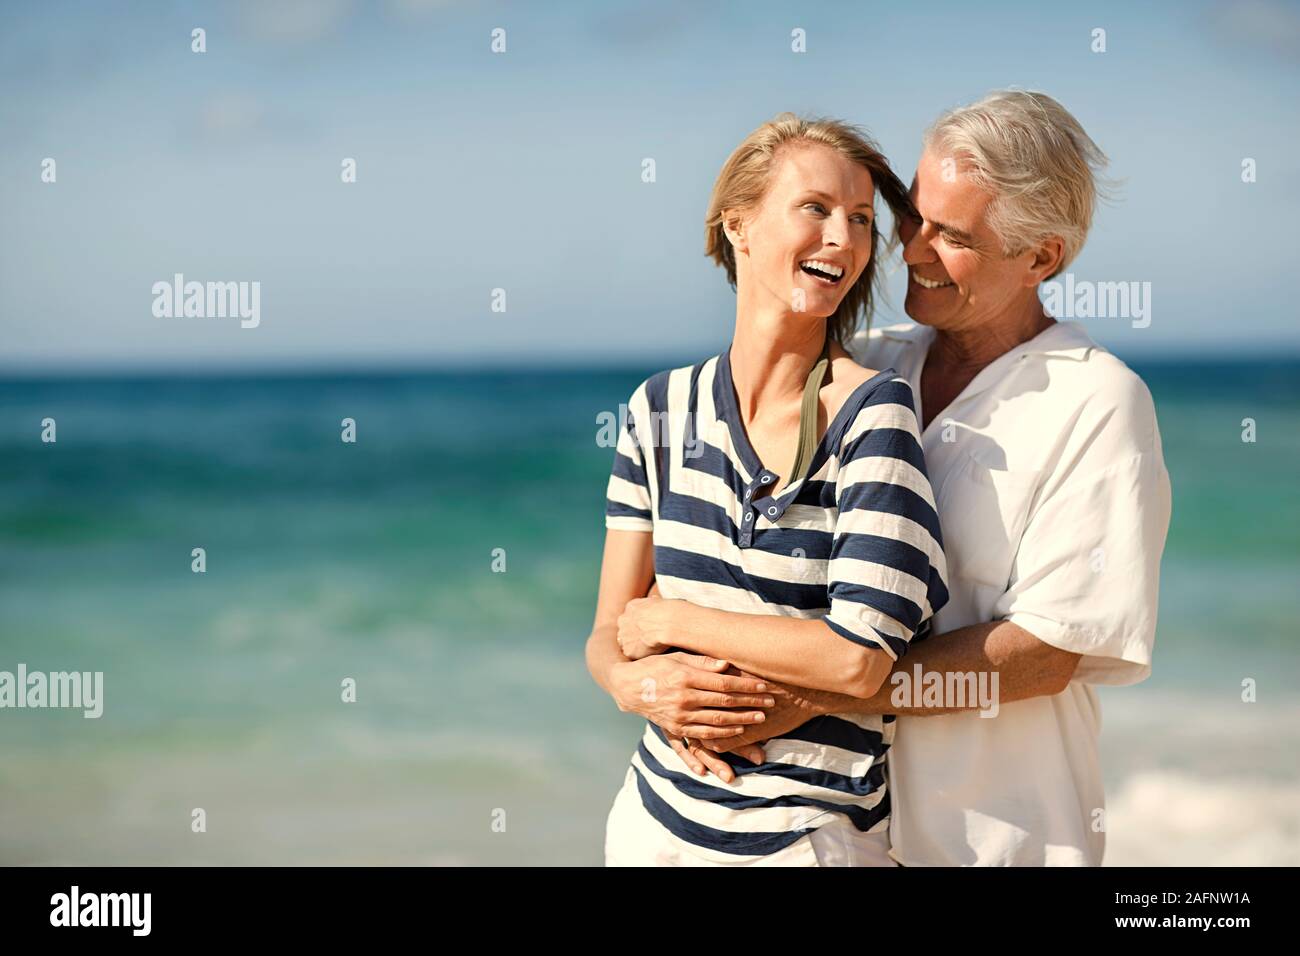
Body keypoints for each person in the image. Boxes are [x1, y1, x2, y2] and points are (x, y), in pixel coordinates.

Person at [646, 90, 1173, 866]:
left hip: (994, 836)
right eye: (913, 216)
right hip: (830, 832)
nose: (913, 249)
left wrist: (810, 695)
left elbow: (1043, 653)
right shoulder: (868, 363)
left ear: (1042, 258)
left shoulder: (1097, 401)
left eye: (952, 235)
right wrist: (663, 687)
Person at [584, 112, 948, 866]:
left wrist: (674, 619)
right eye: (815, 209)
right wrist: (642, 691)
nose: (843, 240)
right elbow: (608, 635)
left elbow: (860, 661)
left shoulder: (871, 412)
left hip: (805, 842)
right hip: (651, 824)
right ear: (738, 224)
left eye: (858, 220)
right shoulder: (657, 409)